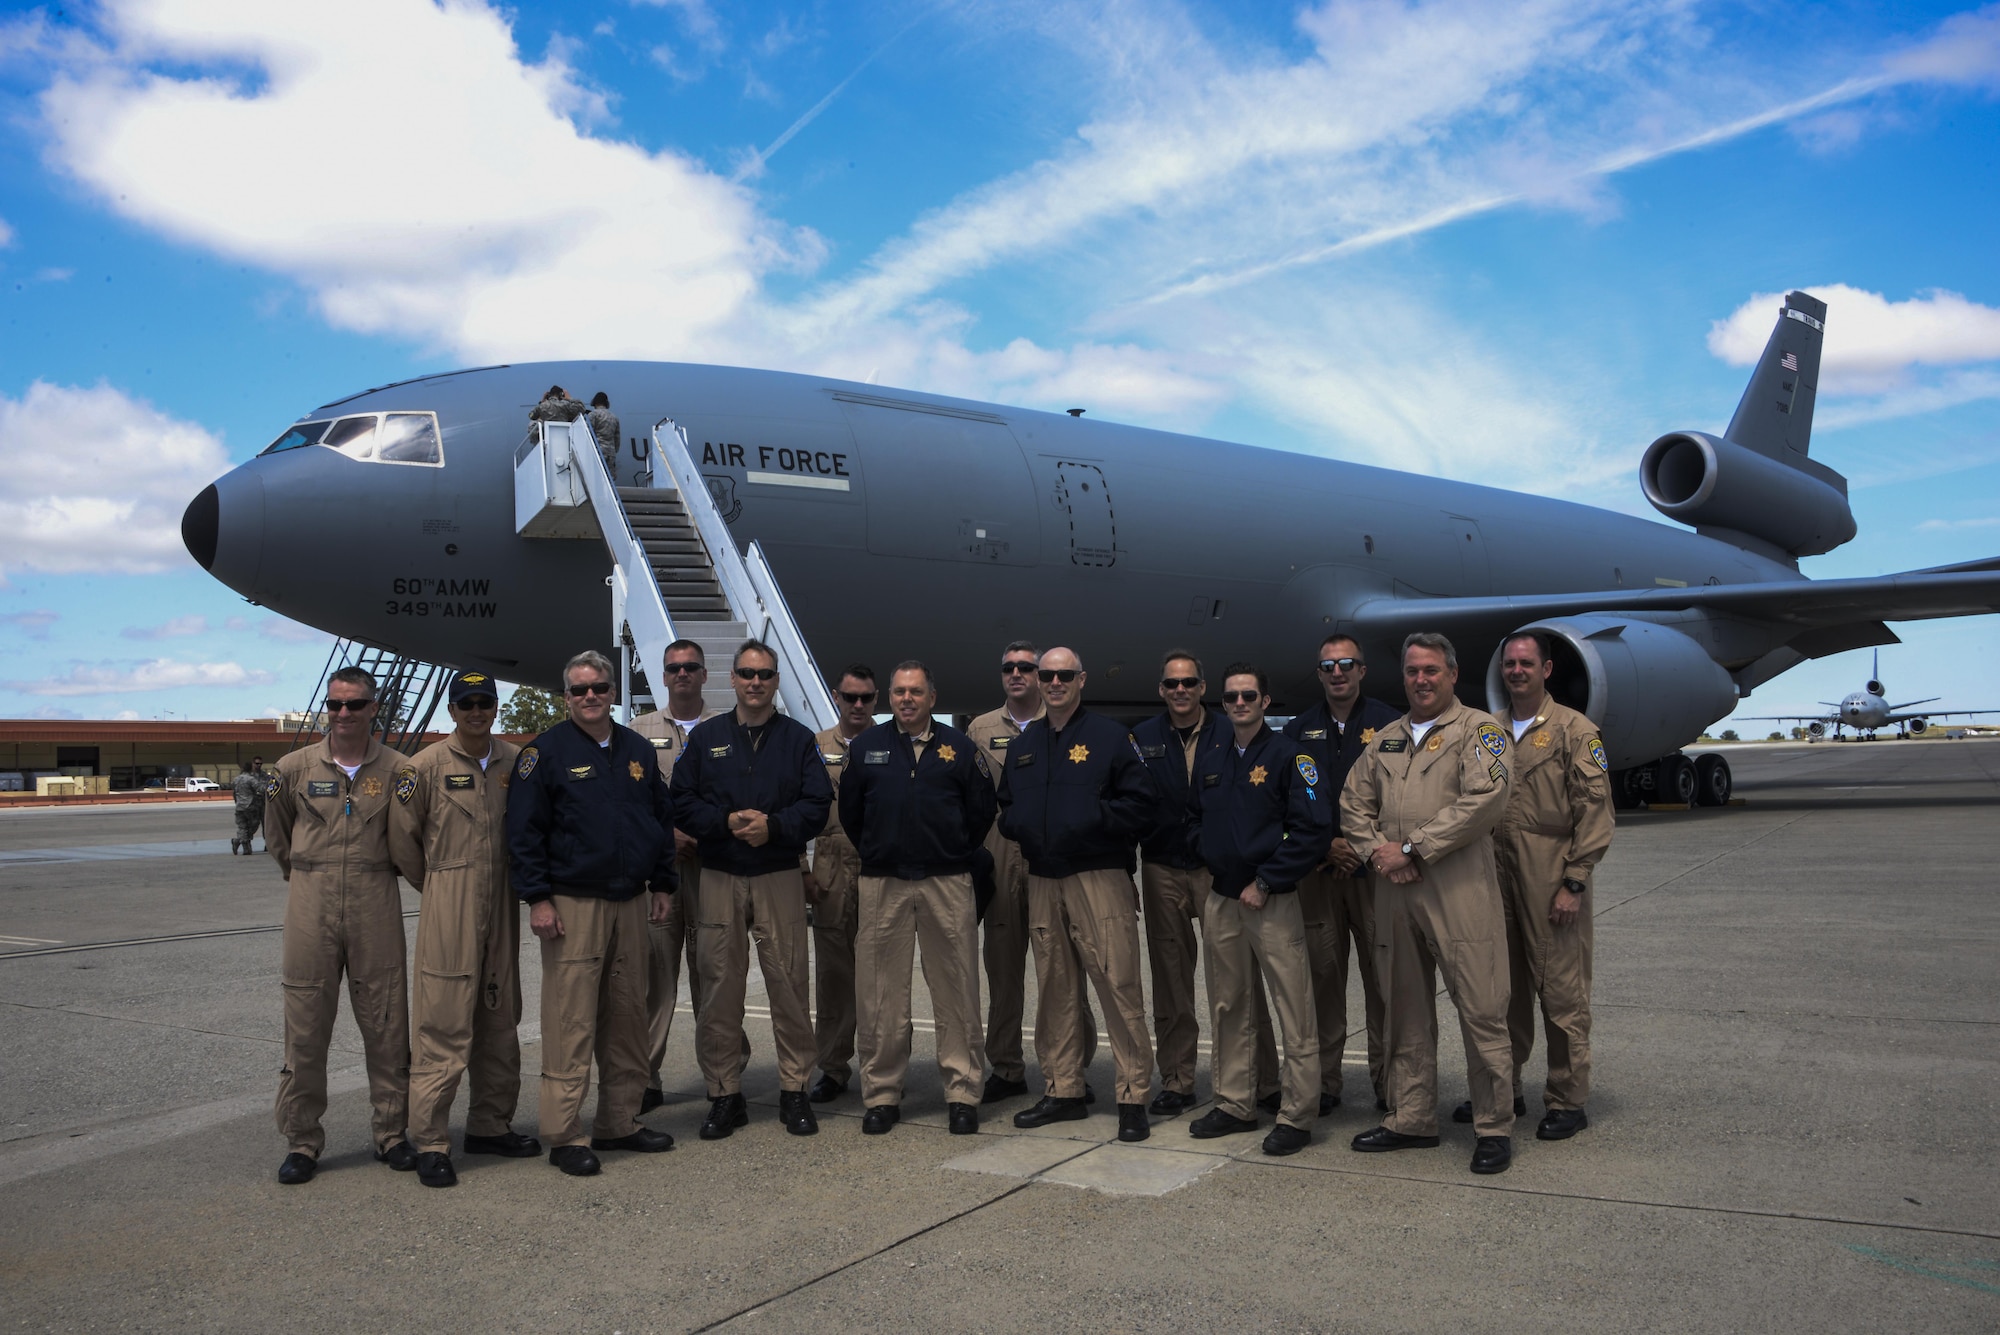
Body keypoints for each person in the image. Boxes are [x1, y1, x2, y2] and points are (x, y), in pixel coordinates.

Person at [1340, 633, 1517, 1176]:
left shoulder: (1480, 731)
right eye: (1413, 671)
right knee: (1404, 1008)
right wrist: (1380, 856)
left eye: (1431, 671)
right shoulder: (1387, 739)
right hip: (1394, 891)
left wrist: (1414, 847)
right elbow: (1353, 804)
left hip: (1458, 890)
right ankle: (1412, 1117)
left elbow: (1486, 800)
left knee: (1482, 1009)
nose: (1421, 680)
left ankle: (1493, 1126)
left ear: (1452, 674)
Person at [507, 650, 678, 1176]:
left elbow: (659, 819)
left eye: (599, 688)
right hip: (573, 904)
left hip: (630, 900)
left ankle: (619, 1121)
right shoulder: (545, 753)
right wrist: (537, 897)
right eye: (579, 689)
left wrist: (665, 883)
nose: (590, 697)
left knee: (627, 1015)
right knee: (571, 1020)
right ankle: (563, 1132)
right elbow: (524, 833)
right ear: (566, 697)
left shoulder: (636, 751)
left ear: (612, 692)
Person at [670, 640, 832, 1140]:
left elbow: (817, 803)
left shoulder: (799, 740)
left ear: (776, 680)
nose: (756, 682)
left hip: (777, 874)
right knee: (719, 987)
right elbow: (680, 800)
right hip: (719, 874)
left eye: (764, 674)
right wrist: (724, 820)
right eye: (746, 674)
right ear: (734, 680)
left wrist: (776, 828)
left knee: (788, 984)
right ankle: (724, 1095)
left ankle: (795, 1090)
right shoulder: (707, 739)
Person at [1455, 631, 1613, 1142]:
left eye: (1527, 663)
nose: (1517, 671)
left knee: (1561, 993)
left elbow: (1595, 811)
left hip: (1549, 877)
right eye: (1509, 663)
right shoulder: (1486, 729)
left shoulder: (1575, 729)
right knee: (1501, 993)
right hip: (1494, 879)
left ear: (1546, 670)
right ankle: (1506, 1090)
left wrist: (1575, 881)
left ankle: (1567, 1099)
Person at [999, 646, 1159, 1143]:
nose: (1053, 682)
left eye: (1063, 674)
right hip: (1043, 878)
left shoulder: (1111, 739)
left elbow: (1141, 804)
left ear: (1082, 679)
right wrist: (1021, 826)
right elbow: (1006, 804)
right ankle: (1063, 1089)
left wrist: (1090, 823)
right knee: (1055, 989)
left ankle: (1133, 1096)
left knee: (1118, 985)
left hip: (1098, 877)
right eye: (1046, 674)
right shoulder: (1027, 745)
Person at [388, 670, 540, 1188]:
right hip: (449, 897)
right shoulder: (423, 767)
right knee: (443, 1022)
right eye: (467, 702)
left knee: (500, 1015)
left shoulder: (517, 761)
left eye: (485, 702)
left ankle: (490, 1124)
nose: (477, 711)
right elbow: (403, 842)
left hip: (503, 898)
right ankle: (430, 1140)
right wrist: (440, 886)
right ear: (452, 710)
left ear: (496, 706)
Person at [263, 667, 413, 1185]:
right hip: (311, 898)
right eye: (335, 705)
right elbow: (278, 835)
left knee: (387, 1020)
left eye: (354, 704)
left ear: (375, 708)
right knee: (304, 1025)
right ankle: (302, 1141)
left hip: (376, 895)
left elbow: (409, 837)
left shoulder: (400, 770)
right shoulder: (292, 768)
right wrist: (307, 876)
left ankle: (391, 1133)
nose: (343, 714)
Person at [838, 661, 997, 1135]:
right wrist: (881, 849)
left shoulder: (960, 749)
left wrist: (949, 850)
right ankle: (883, 1094)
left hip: (946, 881)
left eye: (916, 692)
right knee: (880, 993)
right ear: (891, 697)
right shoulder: (866, 749)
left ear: (932, 697)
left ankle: (963, 1092)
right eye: (899, 692)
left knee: (956, 989)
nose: (907, 699)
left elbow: (981, 811)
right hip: (882, 883)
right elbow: (851, 814)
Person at [1184, 664, 1332, 1156]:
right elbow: (1192, 816)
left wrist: (1267, 879)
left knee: (1293, 1006)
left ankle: (1297, 1114)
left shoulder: (1293, 755)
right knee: (1230, 1006)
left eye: (1249, 695)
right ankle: (1234, 1103)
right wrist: (1208, 857)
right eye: (1231, 697)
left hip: (1271, 900)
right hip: (1223, 899)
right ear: (1222, 703)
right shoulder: (1213, 753)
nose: (1240, 703)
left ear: (1266, 701)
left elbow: (1312, 829)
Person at [1130, 651, 1281, 1116]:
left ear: (1202, 689)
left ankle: (1262, 1080)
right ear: (1162, 689)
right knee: (1171, 979)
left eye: (1189, 682)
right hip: (1161, 868)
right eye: (1171, 683)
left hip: (1218, 872)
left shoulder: (1228, 732)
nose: (1180, 690)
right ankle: (1177, 1080)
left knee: (1237, 980)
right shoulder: (1142, 737)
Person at [965, 641, 1095, 1103]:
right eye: (1010, 667)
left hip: (1049, 854)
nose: (1018, 674)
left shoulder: (1062, 721)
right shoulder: (980, 728)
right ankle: (1006, 1066)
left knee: (1063, 965)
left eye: (1027, 667)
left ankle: (1074, 1066)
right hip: (1001, 852)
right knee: (1002, 966)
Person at [1282, 635, 1404, 1113]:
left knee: (1385, 981)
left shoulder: (1390, 724)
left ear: (1362, 670)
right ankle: (1327, 1083)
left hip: (1374, 874)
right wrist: (1326, 846)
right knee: (1323, 980)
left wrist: (1360, 845)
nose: (1337, 672)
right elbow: (1290, 799)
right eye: (1328, 666)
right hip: (1320, 873)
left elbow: (1399, 799)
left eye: (1346, 664)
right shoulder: (1298, 730)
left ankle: (1388, 1083)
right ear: (1319, 674)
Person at [630, 639, 727, 1113]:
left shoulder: (726, 730)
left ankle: (722, 1076)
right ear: (663, 676)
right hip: (660, 874)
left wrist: (702, 834)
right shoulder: (636, 731)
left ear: (704, 675)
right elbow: (625, 803)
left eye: (691, 667)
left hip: (712, 870)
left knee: (713, 974)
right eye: (674, 668)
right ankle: (645, 1077)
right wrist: (665, 834)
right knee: (655, 977)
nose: (683, 674)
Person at [805, 664, 875, 1103]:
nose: (858, 705)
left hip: (877, 864)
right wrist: (801, 869)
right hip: (829, 867)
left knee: (882, 976)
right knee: (833, 977)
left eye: (866, 698)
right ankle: (832, 1067)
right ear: (836, 696)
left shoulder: (891, 745)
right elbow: (793, 805)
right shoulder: (814, 747)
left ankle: (883, 1066)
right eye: (850, 697)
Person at [230, 756, 267, 855]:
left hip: (240, 807)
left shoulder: (236, 779)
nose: (259, 765)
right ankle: (241, 841)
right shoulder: (250, 779)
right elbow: (262, 789)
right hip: (250, 806)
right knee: (253, 825)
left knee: (242, 827)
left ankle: (241, 843)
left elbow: (234, 791)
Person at [587, 392, 621, 484]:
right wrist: (613, 450)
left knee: (596, 478)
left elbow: (588, 434)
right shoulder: (614, 417)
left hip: (598, 451)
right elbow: (617, 439)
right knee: (608, 480)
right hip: (611, 452)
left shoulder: (593, 415)